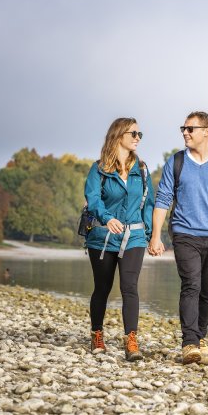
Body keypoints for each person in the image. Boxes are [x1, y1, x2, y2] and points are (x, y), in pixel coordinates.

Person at [149, 111, 208, 364]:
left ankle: (200, 336)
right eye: (184, 128)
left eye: (190, 128)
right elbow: (162, 200)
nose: (185, 132)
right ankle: (189, 342)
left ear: (206, 131)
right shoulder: (176, 162)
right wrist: (156, 235)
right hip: (184, 233)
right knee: (191, 284)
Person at [84, 117, 154, 361]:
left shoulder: (142, 170)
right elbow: (93, 200)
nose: (137, 138)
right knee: (102, 288)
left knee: (129, 287)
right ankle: (96, 334)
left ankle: (131, 341)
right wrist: (105, 218)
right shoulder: (98, 169)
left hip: (133, 237)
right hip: (102, 237)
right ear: (118, 136)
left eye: (139, 134)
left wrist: (149, 235)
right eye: (133, 133)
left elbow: (149, 203)